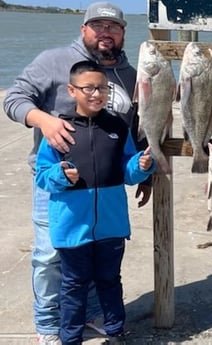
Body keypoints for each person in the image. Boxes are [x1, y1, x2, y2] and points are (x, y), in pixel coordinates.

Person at [2, 2, 150, 343]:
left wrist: (145, 173)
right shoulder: (52, 61)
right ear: (83, 29)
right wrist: (44, 119)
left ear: (123, 33)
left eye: (113, 27)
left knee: (99, 257)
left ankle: (93, 314)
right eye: (97, 26)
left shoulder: (129, 74)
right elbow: (14, 99)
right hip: (58, 184)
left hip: (106, 184)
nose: (105, 33)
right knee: (50, 258)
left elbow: (136, 127)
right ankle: (49, 327)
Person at [35, 61, 155, 345]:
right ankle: (71, 338)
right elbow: (42, 176)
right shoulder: (59, 130)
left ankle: (115, 332)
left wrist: (142, 164)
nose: (96, 94)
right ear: (72, 91)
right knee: (73, 286)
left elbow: (127, 171)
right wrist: (60, 174)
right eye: (88, 88)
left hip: (111, 227)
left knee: (110, 281)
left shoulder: (117, 127)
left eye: (102, 88)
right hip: (71, 228)